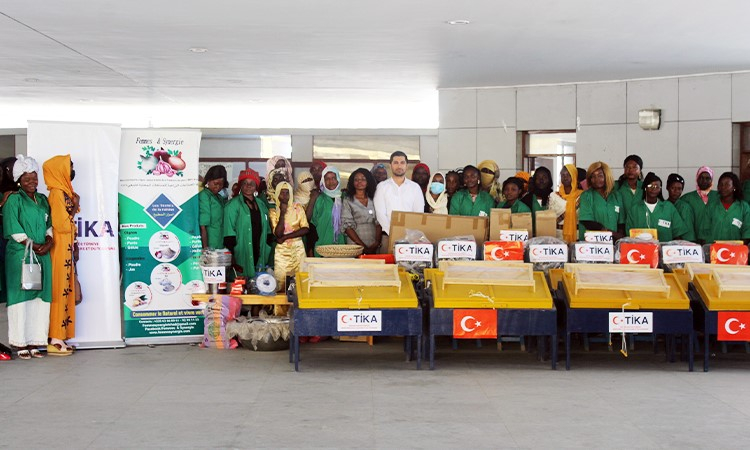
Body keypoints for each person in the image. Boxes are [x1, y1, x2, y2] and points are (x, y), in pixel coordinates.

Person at [4, 155, 53, 359]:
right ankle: (19, 342)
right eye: (27, 179)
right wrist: (33, 245)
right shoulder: (13, 199)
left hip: (42, 254)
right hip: (20, 255)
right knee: (20, 297)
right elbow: (12, 227)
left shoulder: (42, 199)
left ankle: (35, 341)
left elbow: (50, 224)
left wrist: (49, 242)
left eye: (34, 177)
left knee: (40, 298)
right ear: (19, 180)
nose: (32, 182)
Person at [43, 155, 80, 356]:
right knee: (60, 289)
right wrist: (75, 206)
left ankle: (62, 335)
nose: (72, 171)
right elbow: (62, 224)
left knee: (66, 289)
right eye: (69, 167)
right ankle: (55, 338)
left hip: (66, 246)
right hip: (59, 246)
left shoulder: (65, 192)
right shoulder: (57, 193)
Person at [223, 169, 272, 279]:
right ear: (240, 185)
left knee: (259, 280)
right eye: (245, 183)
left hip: (260, 248)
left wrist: (267, 245)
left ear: (256, 186)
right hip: (241, 249)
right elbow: (228, 233)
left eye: (252, 183)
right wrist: (232, 254)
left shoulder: (261, 204)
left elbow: (268, 229)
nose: (248, 186)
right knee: (241, 280)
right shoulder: (232, 205)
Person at [373, 151, 425, 251]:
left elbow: (418, 214)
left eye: (402, 162)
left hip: (411, 239)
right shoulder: (382, 187)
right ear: (390, 165)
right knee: (388, 266)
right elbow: (380, 215)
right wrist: (394, 233)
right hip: (388, 237)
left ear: (406, 165)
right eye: (396, 162)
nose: (399, 166)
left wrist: (409, 235)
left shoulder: (415, 188)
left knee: (408, 267)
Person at [626, 172, 692, 242]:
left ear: (660, 189)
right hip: (641, 251)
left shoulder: (668, 207)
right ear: (645, 188)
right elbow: (629, 235)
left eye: (657, 187)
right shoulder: (634, 209)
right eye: (650, 186)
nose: (653, 189)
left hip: (665, 250)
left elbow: (677, 234)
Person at [269, 182, 309, 289]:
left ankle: (298, 306)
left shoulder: (298, 208)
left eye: (287, 193)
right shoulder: (273, 211)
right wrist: (282, 212)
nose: (285, 196)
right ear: (277, 194)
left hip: (298, 250)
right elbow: (278, 233)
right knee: (281, 282)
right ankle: (281, 306)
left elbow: (305, 228)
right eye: (282, 193)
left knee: (300, 281)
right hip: (282, 252)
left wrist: (286, 237)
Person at [578, 161, 625, 241]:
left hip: (613, 242)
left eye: (600, 176)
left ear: (607, 176)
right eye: (593, 176)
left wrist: (619, 237)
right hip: (592, 244)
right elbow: (587, 221)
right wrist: (611, 233)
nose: (596, 179)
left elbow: (621, 222)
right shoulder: (586, 196)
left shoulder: (616, 195)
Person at [341, 168, 381, 254]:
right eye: (356, 179)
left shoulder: (374, 198)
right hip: (355, 244)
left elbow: (379, 223)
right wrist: (362, 246)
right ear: (352, 182)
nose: (359, 182)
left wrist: (377, 243)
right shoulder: (348, 200)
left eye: (363, 179)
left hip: (373, 243)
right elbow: (347, 227)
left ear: (368, 181)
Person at [309, 166, 345, 256]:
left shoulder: (345, 198)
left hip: (342, 245)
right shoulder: (319, 198)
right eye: (327, 179)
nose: (331, 182)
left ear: (338, 179)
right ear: (323, 181)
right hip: (322, 244)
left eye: (333, 178)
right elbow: (312, 223)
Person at [706, 172, 750, 244]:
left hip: (736, 251)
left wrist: (739, 247)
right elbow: (704, 231)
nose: (723, 187)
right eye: (721, 184)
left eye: (727, 184)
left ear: (734, 187)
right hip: (714, 251)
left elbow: (747, 231)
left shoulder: (744, 207)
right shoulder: (711, 206)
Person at [520, 166, 566, 234]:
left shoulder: (555, 196)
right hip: (531, 236)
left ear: (549, 180)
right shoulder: (527, 198)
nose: (541, 180)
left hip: (552, 235)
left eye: (544, 177)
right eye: (538, 178)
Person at [680, 166, 718, 245]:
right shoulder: (686, 198)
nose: (704, 181)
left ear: (711, 180)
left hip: (714, 242)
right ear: (697, 179)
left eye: (707, 178)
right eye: (701, 178)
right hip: (692, 243)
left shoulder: (719, 197)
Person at [199, 165, 228, 249]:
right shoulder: (204, 196)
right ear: (208, 181)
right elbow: (203, 226)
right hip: (211, 243)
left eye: (221, 184)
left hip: (220, 241)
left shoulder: (219, 197)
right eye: (215, 183)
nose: (218, 187)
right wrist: (205, 248)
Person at [666, 173, 696, 241]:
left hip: (682, 245)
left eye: (679, 189)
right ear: (667, 188)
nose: (676, 191)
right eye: (673, 188)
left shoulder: (685, 208)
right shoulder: (662, 206)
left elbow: (689, 234)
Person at [558, 164, 583, 243]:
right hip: (559, 237)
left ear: (574, 176)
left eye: (569, 174)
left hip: (578, 236)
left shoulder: (583, 196)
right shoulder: (554, 196)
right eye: (563, 175)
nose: (565, 177)